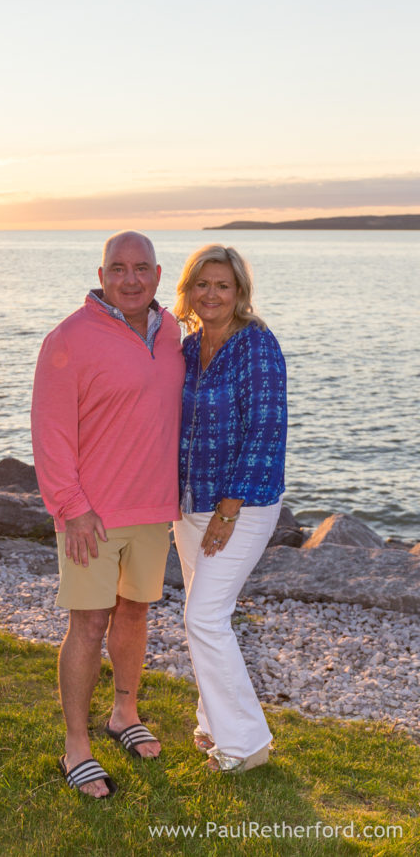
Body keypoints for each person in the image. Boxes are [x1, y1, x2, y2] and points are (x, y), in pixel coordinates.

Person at [31, 230, 184, 798]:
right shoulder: (68, 339)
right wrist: (70, 508)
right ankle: (77, 745)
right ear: (101, 275)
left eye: (141, 267)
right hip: (91, 515)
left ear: (159, 274)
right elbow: (49, 433)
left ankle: (124, 712)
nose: (130, 278)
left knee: (135, 615)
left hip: (154, 509)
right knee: (89, 624)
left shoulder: (173, 332)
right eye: (118, 268)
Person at [173, 244, 287, 773]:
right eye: (202, 284)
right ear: (188, 291)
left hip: (240, 506)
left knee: (204, 618)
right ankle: (211, 722)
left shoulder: (257, 345)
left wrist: (228, 510)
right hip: (189, 503)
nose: (212, 294)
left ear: (239, 291)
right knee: (203, 616)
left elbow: (266, 431)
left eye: (222, 285)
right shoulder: (187, 347)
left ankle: (246, 744)